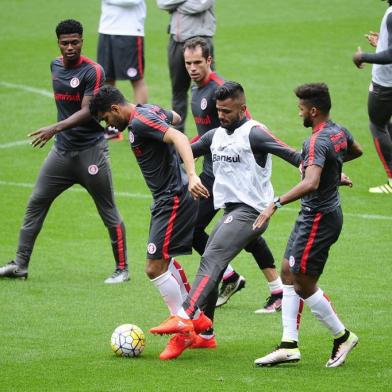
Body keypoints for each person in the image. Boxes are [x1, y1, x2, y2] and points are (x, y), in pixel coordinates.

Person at [149, 81, 302, 360]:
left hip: (253, 212)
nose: (222, 116)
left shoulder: (254, 133)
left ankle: (185, 315)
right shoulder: (214, 136)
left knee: (213, 257)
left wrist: (327, 174)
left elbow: (294, 155)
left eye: (228, 111)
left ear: (243, 108)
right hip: (231, 211)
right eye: (219, 110)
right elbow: (182, 151)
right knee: (212, 261)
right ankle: (206, 336)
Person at [0, 19, 129, 284]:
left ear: (82, 41)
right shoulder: (55, 66)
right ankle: (20, 265)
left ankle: (122, 269)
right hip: (61, 154)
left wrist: (55, 128)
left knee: (107, 209)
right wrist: (59, 133)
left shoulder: (93, 71)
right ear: (58, 43)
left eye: (75, 42)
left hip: (91, 152)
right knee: (36, 202)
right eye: (65, 43)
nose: (70, 47)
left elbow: (88, 110)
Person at [89, 85, 211, 360]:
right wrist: (163, 120)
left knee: (154, 268)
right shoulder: (148, 112)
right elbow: (175, 116)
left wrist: (192, 174)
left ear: (116, 109)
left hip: (173, 198)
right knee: (164, 262)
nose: (109, 125)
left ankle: (184, 320)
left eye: (107, 119)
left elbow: (178, 135)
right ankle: (199, 322)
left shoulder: (141, 121)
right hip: (170, 197)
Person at [254, 83, 363, 368]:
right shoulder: (338, 131)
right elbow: (356, 150)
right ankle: (289, 344)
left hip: (318, 218)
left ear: (313, 111)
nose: (298, 112)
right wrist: (333, 170)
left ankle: (342, 336)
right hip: (316, 215)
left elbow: (311, 182)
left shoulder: (315, 141)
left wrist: (274, 204)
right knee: (288, 271)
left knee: (303, 282)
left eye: (301, 108)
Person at [184, 37, 283, 314]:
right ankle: (274, 289)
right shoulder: (197, 91)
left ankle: (226, 277)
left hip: (226, 176)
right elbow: (207, 135)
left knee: (196, 229)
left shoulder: (220, 91)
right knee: (243, 233)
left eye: (197, 62)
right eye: (187, 63)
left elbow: (245, 126)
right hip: (210, 174)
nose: (192, 68)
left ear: (209, 61)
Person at [156, 0, 215, 132]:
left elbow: (201, 4)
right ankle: (178, 138)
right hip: (176, 41)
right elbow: (163, 3)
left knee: (208, 91)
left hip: (201, 39)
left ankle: (212, 132)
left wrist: (176, 6)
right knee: (178, 91)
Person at [352, 0, 392, 194]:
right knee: (385, 122)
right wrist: (382, 43)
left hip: (386, 83)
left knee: (377, 125)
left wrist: (364, 56)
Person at [97, 0, 148, 141]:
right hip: (106, 28)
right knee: (107, 80)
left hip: (130, 30)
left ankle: (141, 127)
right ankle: (112, 130)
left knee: (136, 79)